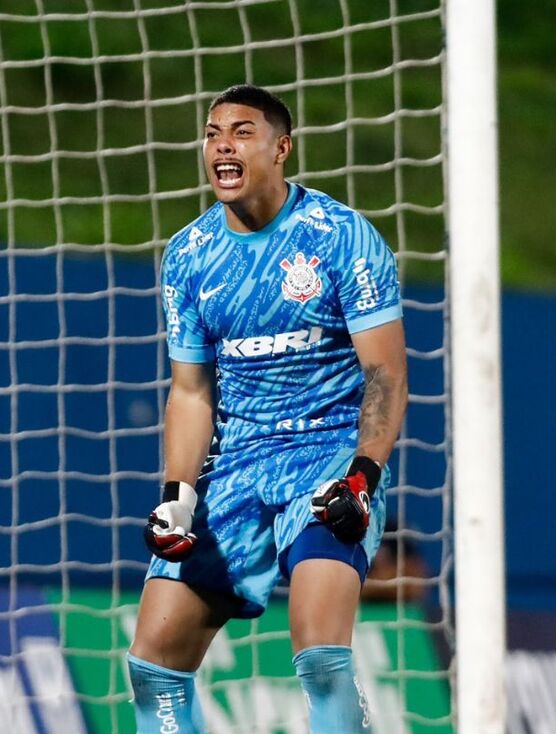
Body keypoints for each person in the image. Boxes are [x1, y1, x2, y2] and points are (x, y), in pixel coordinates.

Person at [127, 84, 408, 734]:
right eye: (212, 132)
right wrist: (178, 493)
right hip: (239, 468)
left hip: (328, 458)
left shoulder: (340, 238)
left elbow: (385, 374)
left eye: (242, 131)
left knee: (319, 652)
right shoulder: (192, 256)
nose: (223, 143)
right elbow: (192, 391)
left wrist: (361, 477)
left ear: (282, 148)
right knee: (153, 662)